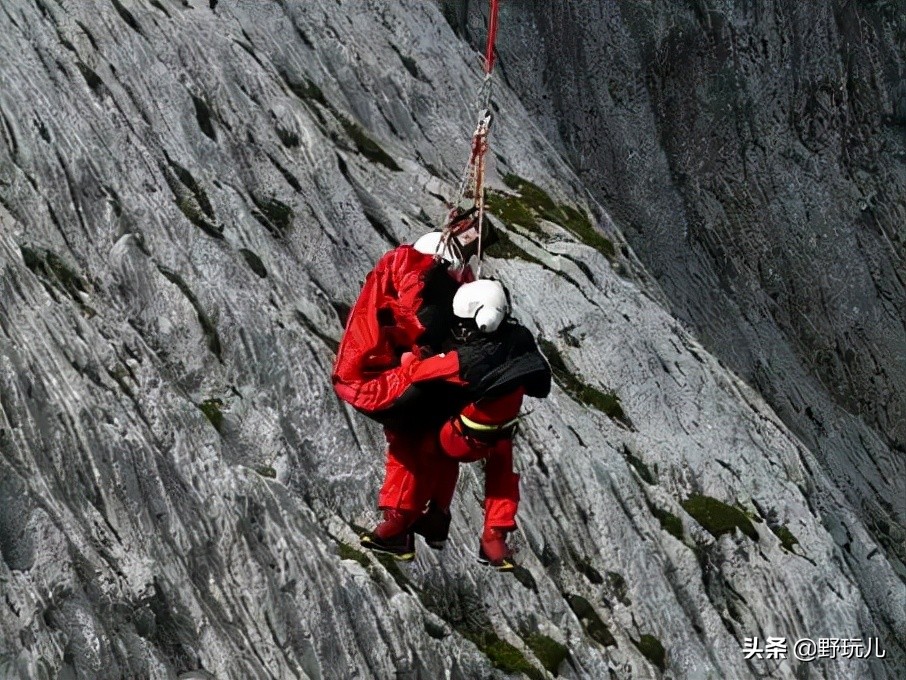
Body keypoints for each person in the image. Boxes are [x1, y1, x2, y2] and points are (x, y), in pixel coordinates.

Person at [359, 279, 552, 570]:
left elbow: (419, 374)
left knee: (417, 442)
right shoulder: (520, 339)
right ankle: (493, 535)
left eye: (464, 323)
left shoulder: (467, 360)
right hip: (499, 435)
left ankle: (402, 522)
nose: (461, 328)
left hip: (460, 439)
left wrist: (413, 356)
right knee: (501, 463)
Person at [332, 229, 476, 559]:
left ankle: (403, 521)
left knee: (415, 442)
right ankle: (418, 517)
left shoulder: (401, 274)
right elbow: (415, 324)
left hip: (378, 379)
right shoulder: (422, 280)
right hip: (394, 380)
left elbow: (404, 327)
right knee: (426, 442)